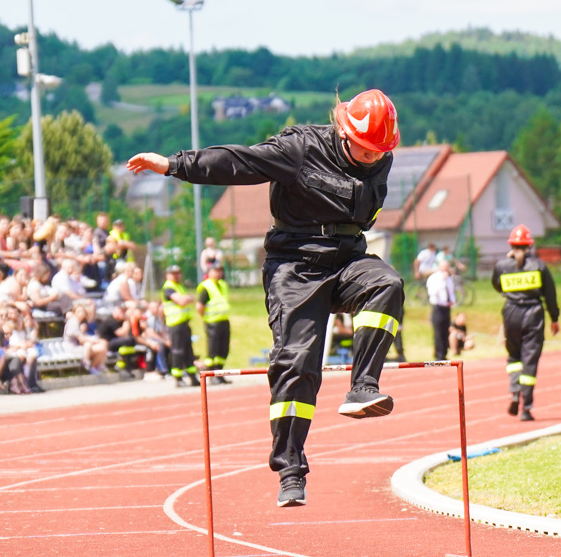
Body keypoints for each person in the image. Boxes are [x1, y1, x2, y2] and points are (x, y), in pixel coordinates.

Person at [127, 88, 403, 508]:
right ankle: (290, 469)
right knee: (298, 362)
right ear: (344, 132)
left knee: (387, 284)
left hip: (348, 260)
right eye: (364, 150)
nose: (372, 158)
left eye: (378, 152)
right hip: (295, 267)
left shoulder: (382, 155)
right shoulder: (300, 147)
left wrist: (375, 160)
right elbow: (240, 162)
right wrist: (172, 165)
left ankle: (363, 387)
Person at [491, 224, 560, 422]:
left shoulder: (502, 266)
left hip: (511, 313)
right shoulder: (539, 266)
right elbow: (550, 295)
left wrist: (512, 295)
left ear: (511, 245)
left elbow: (497, 285)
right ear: (530, 246)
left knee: (514, 357)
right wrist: (554, 318)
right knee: (529, 361)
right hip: (533, 315)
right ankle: (526, 408)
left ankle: (514, 392)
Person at [160, 265, 200, 388]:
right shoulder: (169, 288)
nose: (177, 275)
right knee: (178, 351)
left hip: (184, 323)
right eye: (173, 273)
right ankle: (178, 378)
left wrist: (186, 298)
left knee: (189, 351)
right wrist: (188, 298)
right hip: (175, 325)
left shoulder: (178, 287)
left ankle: (192, 377)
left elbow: (186, 300)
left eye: (178, 273)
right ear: (167, 275)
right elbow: (182, 301)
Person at [196, 262, 231, 384]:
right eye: (215, 270)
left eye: (220, 270)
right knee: (213, 350)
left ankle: (219, 373)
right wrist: (205, 317)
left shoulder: (222, 284)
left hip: (223, 320)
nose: (218, 273)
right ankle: (212, 374)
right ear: (209, 273)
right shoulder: (206, 286)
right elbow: (200, 306)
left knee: (223, 349)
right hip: (212, 323)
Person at [426, 259, 455, 360]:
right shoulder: (434, 278)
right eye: (444, 267)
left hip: (446, 307)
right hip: (437, 307)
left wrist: (452, 301)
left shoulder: (449, 279)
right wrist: (442, 281)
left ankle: (444, 353)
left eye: (447, 267)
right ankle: (438, 354)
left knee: (445, 331)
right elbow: (432, 292)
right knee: (438, 331)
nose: (446, 269)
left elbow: (451, 292)